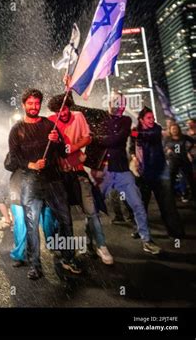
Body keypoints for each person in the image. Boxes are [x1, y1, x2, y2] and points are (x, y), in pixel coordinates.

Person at [5, 88, 82, 280]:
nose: (34, 106)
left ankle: (68, 258)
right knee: (31, 225)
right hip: (29, 182)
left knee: (65, 219)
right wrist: (30, 164)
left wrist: (56, 141)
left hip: (53, 180)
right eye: (30, 103)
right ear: (23, 105)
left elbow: (64, 151)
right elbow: (13, 158)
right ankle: (35, 265)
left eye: (37, 103)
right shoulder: (16, 129)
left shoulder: (49, 124)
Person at [48, 94, 113, 265]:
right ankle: (63, 248)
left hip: (77, 172)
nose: (61, 113)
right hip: (60, 175)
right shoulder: (50, 121)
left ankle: (101, 245)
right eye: (58, 111)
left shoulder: (79, 116)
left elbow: (88, 137)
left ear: (69, 106)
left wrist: (74, 147)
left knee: (91, 211)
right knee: (60, 216)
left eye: (64, 109)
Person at [92, 95, 161, 254]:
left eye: (122, 103)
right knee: (93, 208)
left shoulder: (125, 121)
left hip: (122, 171)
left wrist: (96, 138)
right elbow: (97, 139)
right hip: (104, 171)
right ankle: (92, 241)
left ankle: (146, 240)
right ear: (109, 103)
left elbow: (115, 139)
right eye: (117, 102)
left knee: (137, 204)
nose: (120, 106)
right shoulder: (101, 119)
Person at [129, 107, 185, 239]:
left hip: (159, 171)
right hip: (142, 173)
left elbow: (149, 137)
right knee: (141, 204)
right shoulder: (135, 131)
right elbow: (132, 147)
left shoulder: (156, 128)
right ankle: (140, 229)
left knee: (167, 203)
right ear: (141, 119)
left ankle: (175, 232)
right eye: (149, 118)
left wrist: (133, 133)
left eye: (153, 117)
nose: (152, 120)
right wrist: (134, 157)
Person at [164, 123, 196, 203]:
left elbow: (193, 142)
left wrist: (188, 150)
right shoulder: (167, 139)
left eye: (176, 128)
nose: (175, 130)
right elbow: (163, 148)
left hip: (184, 159)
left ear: (178, 129)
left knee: (190, 178)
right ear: (170, 130)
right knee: (172, 179)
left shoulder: (184, 137)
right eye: (173, 129)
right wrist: (167, 151)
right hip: (173, 160)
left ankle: (193, 195)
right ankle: (172, 196)